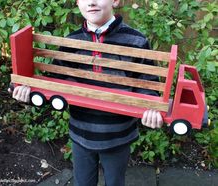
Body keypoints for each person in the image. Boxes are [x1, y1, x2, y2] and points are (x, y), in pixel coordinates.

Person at [9, 0, 163, 185]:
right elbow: (56, 86)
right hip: (81, 133)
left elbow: (148, 85)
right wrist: (28, 91)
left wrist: (152, 109)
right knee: (82, 182)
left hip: (118, 135)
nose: (91, 2)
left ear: (115, 1)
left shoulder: (136, 41)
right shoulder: (71, 42)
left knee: (115, 182)